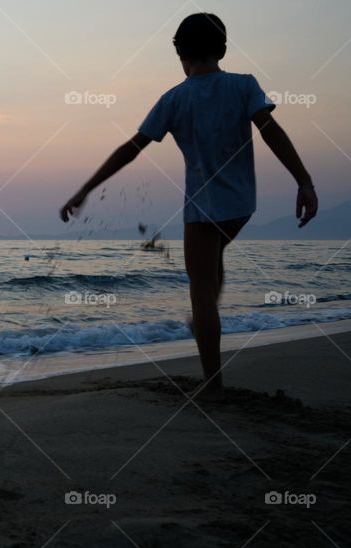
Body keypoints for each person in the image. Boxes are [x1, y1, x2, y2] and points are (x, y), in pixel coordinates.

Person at [59, 13, 318, 400]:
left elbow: (132, 149)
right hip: (243, 205)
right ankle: (206, 321)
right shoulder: (244, 85)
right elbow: (271, 130)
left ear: (180, 52)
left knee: (200, 291)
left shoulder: (174, 99)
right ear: (223, 49)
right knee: (212, 270)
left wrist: (85, 188)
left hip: (202, 208)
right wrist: (304, 180)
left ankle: (212, 384)